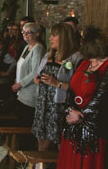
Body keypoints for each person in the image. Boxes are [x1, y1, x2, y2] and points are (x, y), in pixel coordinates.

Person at [56, 26, 108, 169]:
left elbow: (102, 97)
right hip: (75, 125)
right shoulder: (84, 63)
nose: (93, 62)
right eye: (91, 59)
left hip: (96, 129)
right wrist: (70, 110)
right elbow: (71, 88)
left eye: (96, 58)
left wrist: (82, 117)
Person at [32, 23, 82, 151]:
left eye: (54, 35)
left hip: (59, 107)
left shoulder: (76, 58)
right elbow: (38, 74)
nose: (50, 38)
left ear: (64, 37)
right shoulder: (49, 55)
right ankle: (39, 168)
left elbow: (78, 88)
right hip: (43, 104)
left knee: (60, 143)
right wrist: (38, 79)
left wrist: (56, 83)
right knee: (41, 140)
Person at [12, 22, 45, 126]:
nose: (25, 35)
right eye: (23, 32)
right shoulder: (27, 47)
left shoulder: (38, 48)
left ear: (37, 34)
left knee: (26, 123)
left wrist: (19, 84)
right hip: (21, 92)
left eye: (29, 32)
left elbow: (35, 72)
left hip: (30, 93)